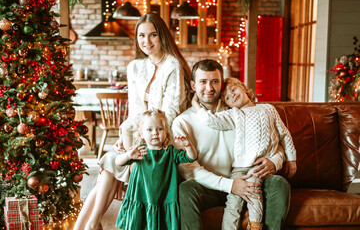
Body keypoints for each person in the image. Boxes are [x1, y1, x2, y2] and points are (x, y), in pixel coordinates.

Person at [74, 12, 192, 230]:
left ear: (162, 36)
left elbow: (170, 111)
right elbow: (136, 111)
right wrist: (126, 136)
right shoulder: (135, 67)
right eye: (141, 36)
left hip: (161, 138)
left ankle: (90, 225)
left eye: (153, 35)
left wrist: (145, 136)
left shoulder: (172, 65)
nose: (146, 41)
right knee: (111, 162)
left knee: (109, 166)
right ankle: (91, 224)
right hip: (142, 134)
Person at [171, 59, 291, 230]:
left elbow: (271, 141)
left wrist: (274, 161)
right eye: (203, 82)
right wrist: (231, 185)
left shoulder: (240, 112)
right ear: (193, 85)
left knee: (279, 183)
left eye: (215, 81)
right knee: (186, 188)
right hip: (210, 188)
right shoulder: (182, 122)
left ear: (222, 83)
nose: (209, 88)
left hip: (248, 179)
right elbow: (189, 170)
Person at [114, 109, 197, 229]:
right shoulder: (139, 151)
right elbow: (118, 162)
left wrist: (189, 146)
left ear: (166, 133)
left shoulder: (170, 152)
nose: (155, 133)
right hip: (141, 196)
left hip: (164, 197)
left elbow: (191, 157)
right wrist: (128, 155)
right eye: (149, 130)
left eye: (160, 129)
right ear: (141, 133)